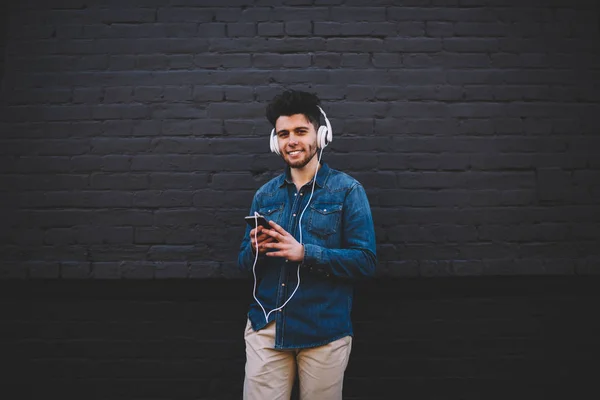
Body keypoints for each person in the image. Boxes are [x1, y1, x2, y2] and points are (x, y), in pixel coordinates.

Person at [237, 89, 377, 400]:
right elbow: (242, 263)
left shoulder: (347, 191)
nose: (291, 141)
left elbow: (365, 261)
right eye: (283, 134)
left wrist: (305, 253)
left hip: (323, 332)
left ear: (321, 135)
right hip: (267, 328)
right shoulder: (265, 195)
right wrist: (254, 249)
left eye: (301, 131)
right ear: (275, 142)